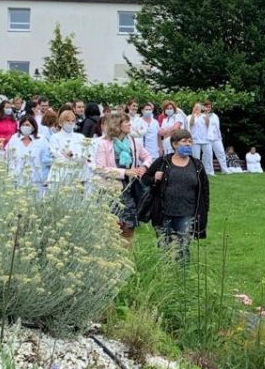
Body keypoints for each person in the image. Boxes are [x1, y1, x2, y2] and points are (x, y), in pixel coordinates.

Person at [141, 129, 210, 265]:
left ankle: (183, 278)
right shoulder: (163, 161)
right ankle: (165, 279)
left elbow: (205, 192)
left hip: (186, 214)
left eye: (190, 141)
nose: (188, 144)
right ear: (174, 144)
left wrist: (203, 212)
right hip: (163, 213)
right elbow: (145, 179)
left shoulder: (197, 165)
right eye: (184, 141)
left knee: (182, 249)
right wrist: (155, 178)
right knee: (164, 249)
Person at [94, 111, 153, 245]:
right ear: (117, 125)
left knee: (129, 227)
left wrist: (143, 167)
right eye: (126, 122)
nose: (129, 124)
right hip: (111, 191)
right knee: (110, 227)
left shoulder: (134, 141)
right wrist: (124, 172)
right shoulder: (104, 144)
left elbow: (148, 157)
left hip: (130, 191)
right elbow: (100, 168)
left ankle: (127, 257)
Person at [5, 116, 49, 190]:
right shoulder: (14, 138)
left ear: (33, 127)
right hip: (17, 178)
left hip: (35, 179)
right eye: (23, 125)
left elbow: (47, 157)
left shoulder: (41, 140)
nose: (25, 127)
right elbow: (7, 155)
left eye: (28, 125)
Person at [48, 110, 91, 187]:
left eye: (73, 121)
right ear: (61, 122)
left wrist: (71, 156)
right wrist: (73, 159)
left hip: (77, 176)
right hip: (59, 175)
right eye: (67, 121)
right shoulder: (55, 137)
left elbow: (84, 156)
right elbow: (56, 156)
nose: (71, 123)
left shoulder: (80, 137)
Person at [187, 103, 215, 175]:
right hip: (195, 139)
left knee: (208, 155)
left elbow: (208, 124)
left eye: (199, 108)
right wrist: (193, 114)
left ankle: (209, 171)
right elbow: (191, 123)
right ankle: (196, 171)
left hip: (206, 139)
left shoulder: (204, 116)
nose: (197, 109)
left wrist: (206, 114)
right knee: (196, 156)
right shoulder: (190, 117)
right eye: (196, 108)